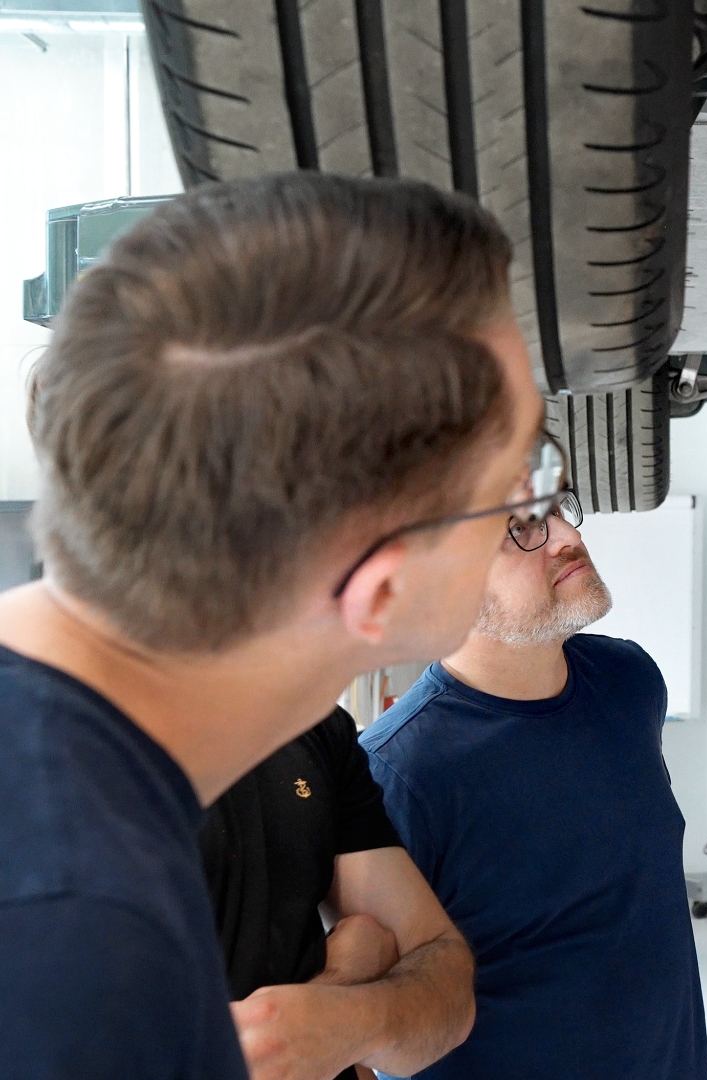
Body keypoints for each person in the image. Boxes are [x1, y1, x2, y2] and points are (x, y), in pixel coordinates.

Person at [0, 172, 552, 1075]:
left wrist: (341, 1012)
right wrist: (349, 981)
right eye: (516, 488)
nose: (533, 516)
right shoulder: (80, 949)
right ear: (380, 593)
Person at [360, 487, 707, 1080]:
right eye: (519, 527)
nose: (569, 537)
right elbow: (377, 1038)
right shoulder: (397, 775)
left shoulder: (628, 681)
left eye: (556, 509)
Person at [200, 706, 474, 1080]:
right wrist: (343, 980)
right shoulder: (118, 755)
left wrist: (347, 1019)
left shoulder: (316, 725)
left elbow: (449, 984)